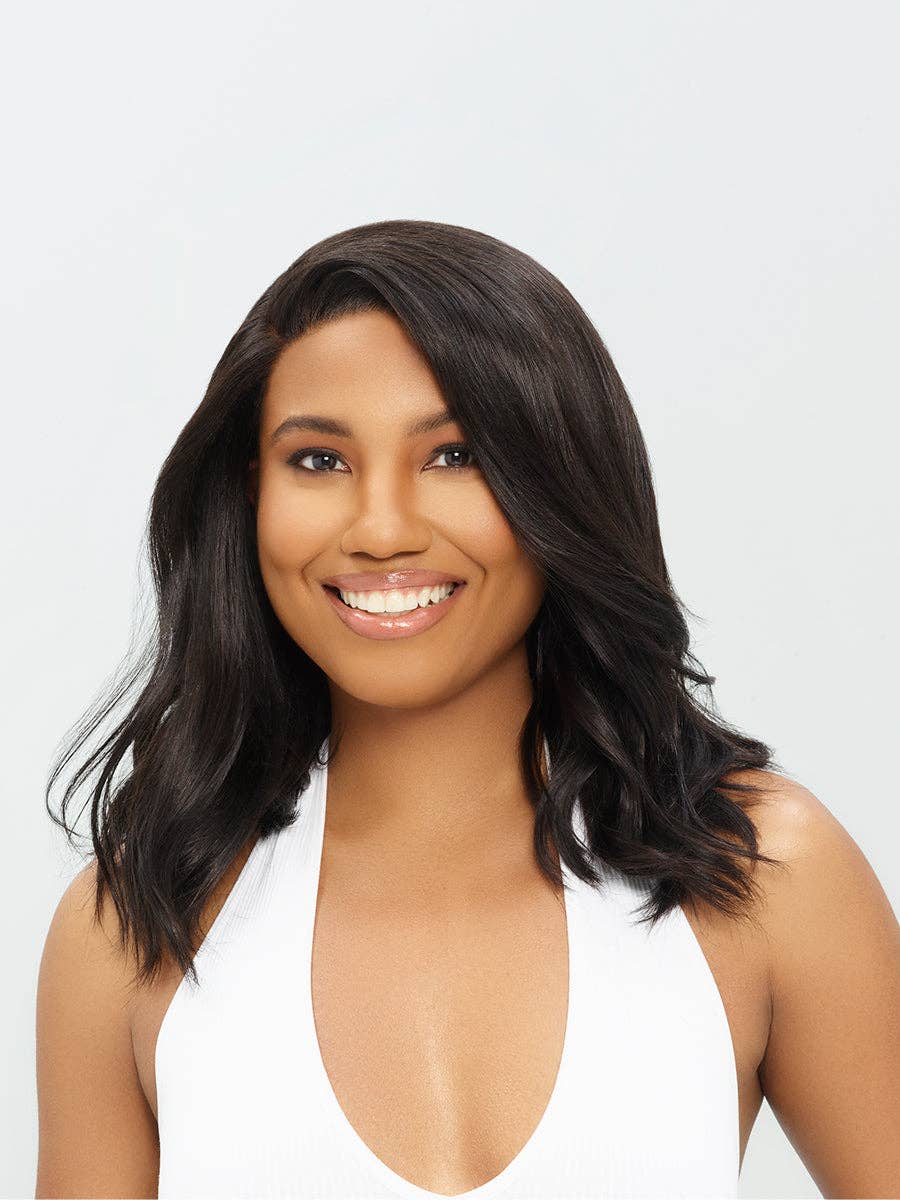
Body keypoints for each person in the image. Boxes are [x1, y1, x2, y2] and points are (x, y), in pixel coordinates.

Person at [36, 220, 899, 1198]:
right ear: (250, 499)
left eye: (454, 455)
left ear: (558, 484)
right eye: (319, 461)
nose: (382, 529)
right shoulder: (129, 930)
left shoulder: (764, 873)